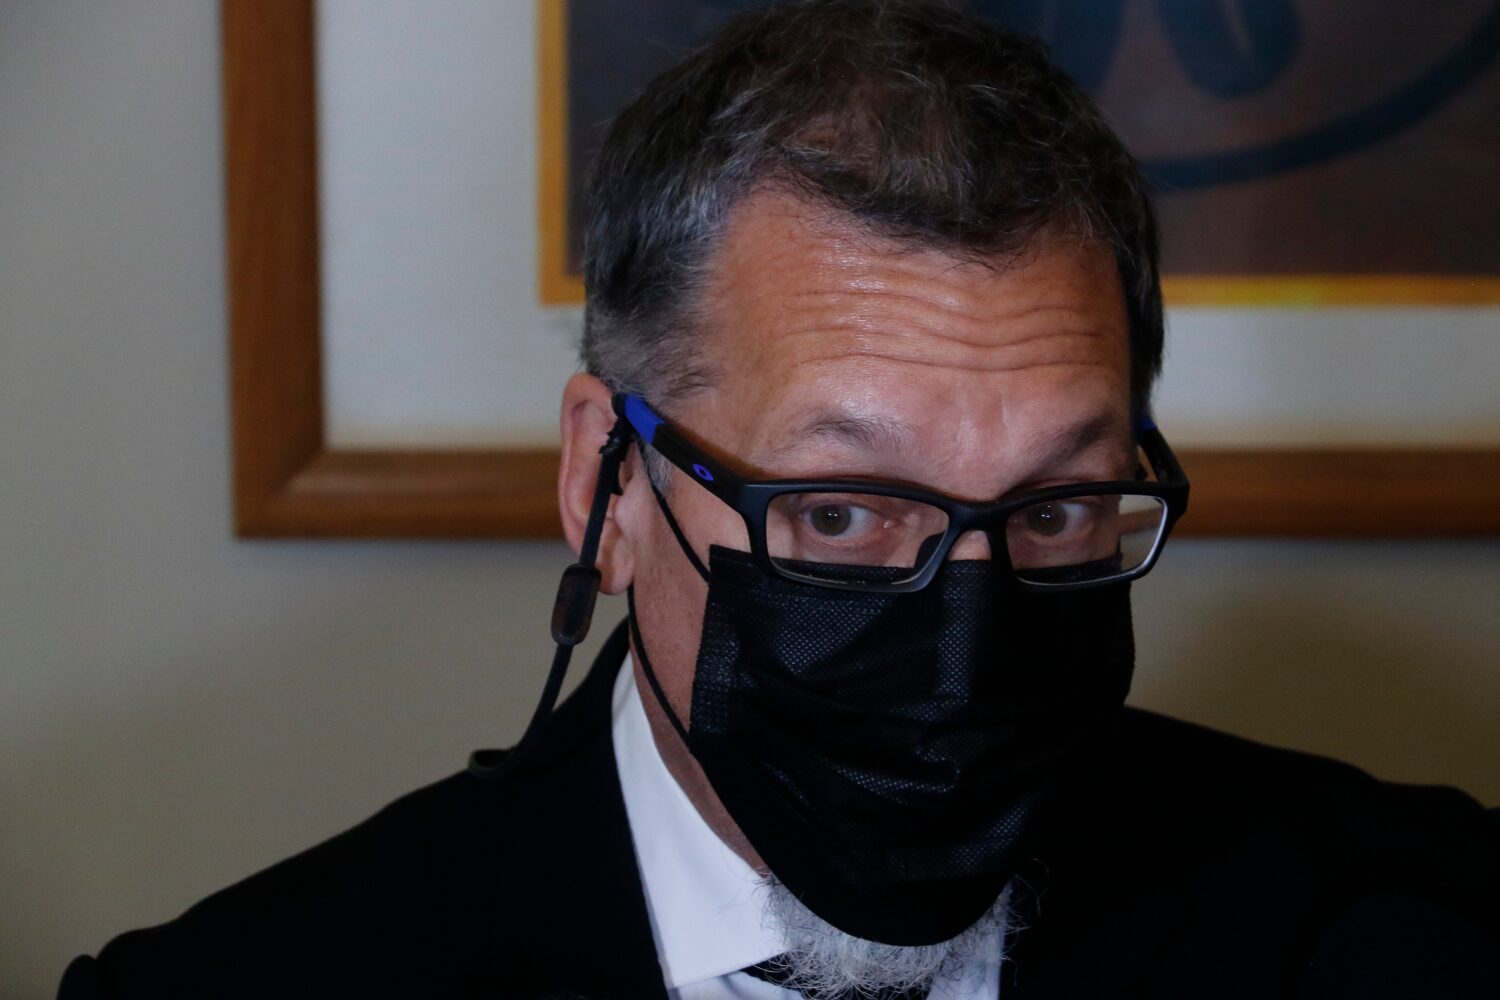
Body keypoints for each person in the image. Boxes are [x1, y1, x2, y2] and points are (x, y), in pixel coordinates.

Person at [61, 2, 1498, 997]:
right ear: (608, 485)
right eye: (841, 513)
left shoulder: (1419, 921)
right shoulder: (242, 986)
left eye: (1057, 508)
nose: (963, 658)